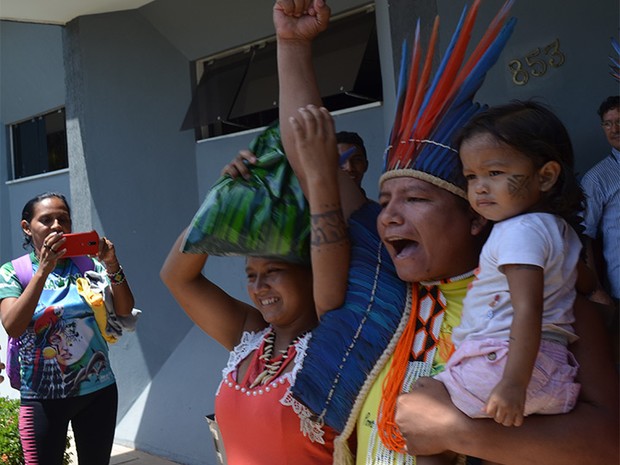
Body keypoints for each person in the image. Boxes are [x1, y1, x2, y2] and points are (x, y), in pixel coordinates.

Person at [273, 1, 619, 464]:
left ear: (477, 216)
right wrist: (292, 45)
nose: (388, 217)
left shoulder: (552, 305)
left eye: (415, 200)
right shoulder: (384, 285)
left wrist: (457, 433)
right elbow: (309, 156)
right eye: (385, 202)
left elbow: (608, 440)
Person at [160, 129, 343, 464]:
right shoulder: (251, 335)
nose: (259, 287)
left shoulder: (334, 343)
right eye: (250, 275)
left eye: (273, 272)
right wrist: (223, 198)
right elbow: (175, 276)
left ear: (311, 270)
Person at [418, 101, 584, 465]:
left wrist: (513, 383)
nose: (479, 188)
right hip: (553, 369)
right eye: (472, 177)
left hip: (508, 364)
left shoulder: (518, 231)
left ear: (545, 176)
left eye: (494, 172)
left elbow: (528, 309)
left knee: (423, 403)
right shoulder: (557, 229)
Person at [0, 192, 135, 465]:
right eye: (46, 220)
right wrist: (43, 271)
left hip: (98, 390)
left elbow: (123, 310)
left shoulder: (89, 264)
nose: (57, 226)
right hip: (41, 396)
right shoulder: (14, 272)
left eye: (63, 219)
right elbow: (13, 326)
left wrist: (111, 264)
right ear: (26, 227)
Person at [580, 96, 619, 313]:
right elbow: (584, 235)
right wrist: (595, 289)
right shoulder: (596, 179)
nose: (615, 129)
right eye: (608, 123)